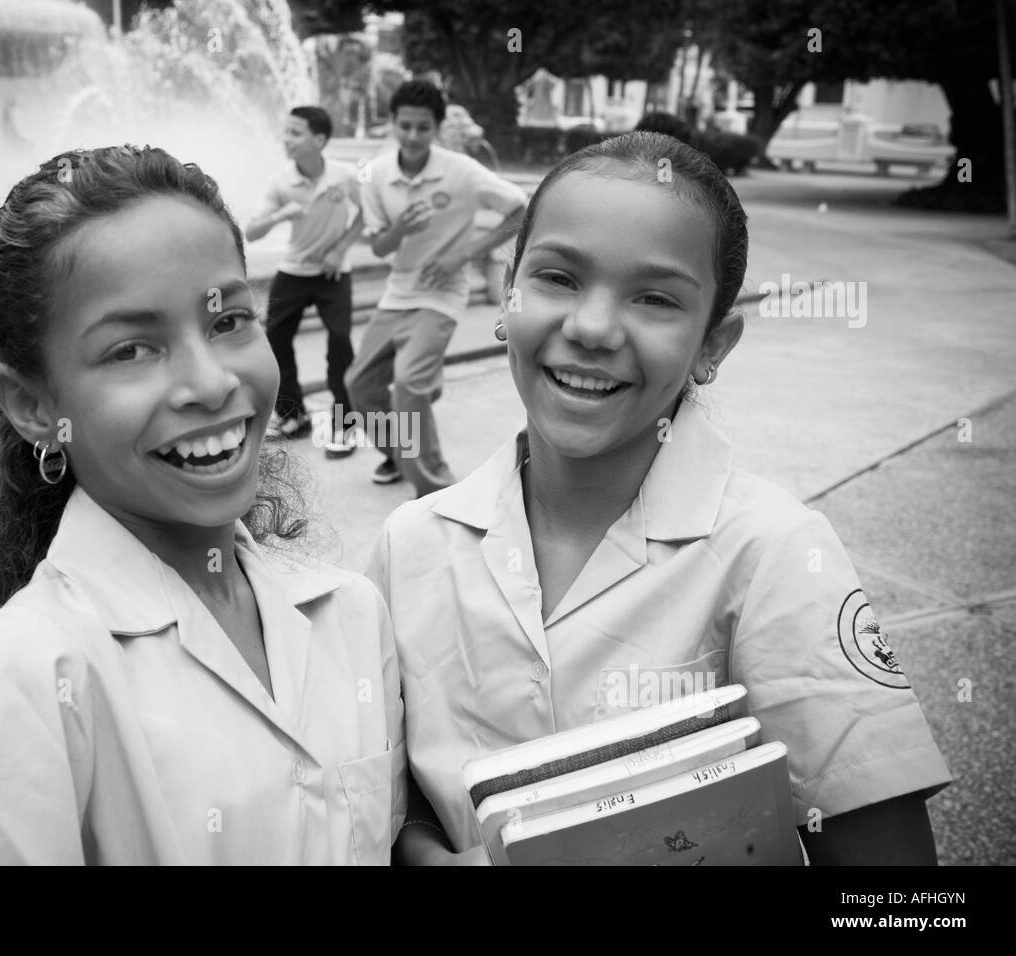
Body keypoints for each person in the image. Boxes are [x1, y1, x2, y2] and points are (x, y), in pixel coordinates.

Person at [368, 132, 951, 865]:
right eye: (557, 278)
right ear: (507, 292)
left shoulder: (772, 554)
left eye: (655, 298)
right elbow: (396, 793)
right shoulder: (410, 544)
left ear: (714, 345)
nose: (590, 328)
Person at [0, 145, 405, 865]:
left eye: (228, 322)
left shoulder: (351, 614)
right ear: (33, 406)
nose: (211, 381)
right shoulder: (24, 679)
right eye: (131, 349)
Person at [346, 79, 527, 494]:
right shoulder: (374, 173)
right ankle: (399, 453)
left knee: (409, 384)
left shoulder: (460, 170)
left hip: (442, 296)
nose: (412, 136)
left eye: (422, 127)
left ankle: (434, 487)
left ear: (437, 128)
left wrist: (463, 254)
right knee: (360, 385)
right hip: (398, 293)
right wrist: (400, 228)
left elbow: (519, 208)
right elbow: (378, 246)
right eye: (405, 125)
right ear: (391, 123)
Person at [245, 106, 364, 457]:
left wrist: (339, 248)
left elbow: (366, 215)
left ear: (320, 140)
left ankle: (344, 425)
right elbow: (252, 232)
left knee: (340, 342)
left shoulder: (345, 176)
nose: (287, 139)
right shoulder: (281, 181)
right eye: (287, 132)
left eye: (296, 133)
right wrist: (282, 214)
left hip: (334, 273)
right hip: (294, 271)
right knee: (275, 340)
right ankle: (294, 416)